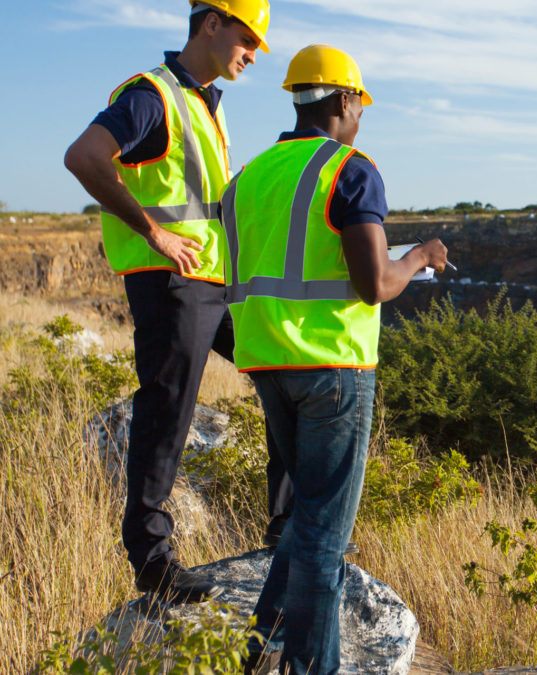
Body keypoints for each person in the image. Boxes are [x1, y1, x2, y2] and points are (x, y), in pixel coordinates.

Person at [220, 44, 447, 674]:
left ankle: (259, 646)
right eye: (360, 105)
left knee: (308, 514)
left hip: (267, 363)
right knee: (325, 536)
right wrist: (420, 257)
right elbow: (375, 283)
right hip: (333, 369)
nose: (361, 117)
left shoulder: (249, 177)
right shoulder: (350, 170)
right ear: (345, 100)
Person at [63, 0, 288, 603]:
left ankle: (288, 526)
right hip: (171, 279)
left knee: (284, 370)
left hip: (216, 279)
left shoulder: (206, 103)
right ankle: (152, 561)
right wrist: (153, 233)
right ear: (211, 23)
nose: (252, 54)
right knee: (167, 409)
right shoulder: (152, 94)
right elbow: (83, 157)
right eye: (247, 39)